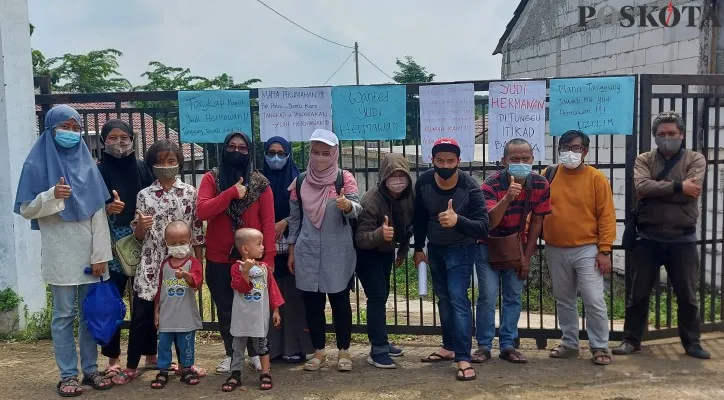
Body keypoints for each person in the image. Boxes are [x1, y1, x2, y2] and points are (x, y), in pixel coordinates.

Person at [14, 104, 114, 396]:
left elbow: (98, 215)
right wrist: (50, 195)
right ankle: (68, 375)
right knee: (62, 317)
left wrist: (100, 257)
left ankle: (91, 370)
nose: (71, 133)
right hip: (59, 254)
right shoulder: (35, 166)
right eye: (64, 128)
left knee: (89, 314)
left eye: (76, 128)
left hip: (89, 255)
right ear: (50, 129)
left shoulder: (88, 166)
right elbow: (25, 210)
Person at [613, 112, 710, 360]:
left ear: (682, 134)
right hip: (649, 237)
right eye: (662, 134)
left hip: (682, 238)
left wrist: (658, 190)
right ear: (655, 136)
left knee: (687, 295)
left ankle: (692, 343)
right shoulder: (644, 159)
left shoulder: (694, 158)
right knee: (638, 294)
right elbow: (641, 187)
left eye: (672, 134)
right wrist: (679, 186)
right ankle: (631, 340)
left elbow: (692, 192)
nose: (667, 138)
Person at [113, 139, 205, 384]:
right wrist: (141, 228)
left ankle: (187, 363)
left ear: (179, 164)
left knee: (181, 316)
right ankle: (132, 366)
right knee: (142, 315)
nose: (167, 165)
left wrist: (198, 266)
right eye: (161, 161)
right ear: (153, 165)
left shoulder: (189, 193)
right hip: (152, 264)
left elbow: (196, 233)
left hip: (181, 266)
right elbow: (138, 236)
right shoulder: (145, 195)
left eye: (172, 161)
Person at [196, 131, 276, 373]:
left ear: (249, 152)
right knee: (226, 308)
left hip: (252, 261)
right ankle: (232, 354)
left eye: (243, 148)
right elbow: (202, 212)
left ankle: (255, 353)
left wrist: (269, 259)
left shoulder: (260, 184)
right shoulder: (212, 178)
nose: (237, 152)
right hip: (219, 258)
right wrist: (230, 193)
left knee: (253, 307)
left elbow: (269, 223)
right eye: (232, 147)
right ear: (224, 149)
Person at [414, 138, 489, 381]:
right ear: (432, 161)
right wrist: (418, 248)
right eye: (440, 160)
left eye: (450, 160)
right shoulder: (424, 182)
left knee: (458, 299)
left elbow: (483, 227)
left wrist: (458, 221)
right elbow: (419, 217)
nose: (445, 165)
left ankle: (464, 357)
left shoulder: (470, 187)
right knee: (443, 299)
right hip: (435, 248)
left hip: (461, 249)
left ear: (458, 161)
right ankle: (448, 347)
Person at [287, 128, 362, 372]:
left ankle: (344, 351)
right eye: (316, 152)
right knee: (313, 304)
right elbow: (295, 219)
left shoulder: (343, 178)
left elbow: (358, 208)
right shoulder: (300, 182)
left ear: (335, 154)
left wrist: (347, 205)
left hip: (338, 252)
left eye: (325, 153)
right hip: (307, 251)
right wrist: (291, 249)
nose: (320, 157)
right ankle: (319, 351)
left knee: (340, 302)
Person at [473, 139, 551, 364]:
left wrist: (526, 257)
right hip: (488, 244)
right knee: (487, 296)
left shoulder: (540, 184)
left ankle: (508, 344)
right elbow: (490, 222)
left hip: (516, 245)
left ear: (532, 160)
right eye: (514, 159)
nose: (521, 163)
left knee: (513, 296)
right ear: (504, 161)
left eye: (525, 159)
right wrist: (507, 198)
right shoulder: (491, 184)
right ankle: (484, 346)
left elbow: (537, 222)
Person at [543, 130, 615, 366]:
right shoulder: (549, 174)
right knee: (563, 298)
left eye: (575, 148)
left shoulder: (596, 178)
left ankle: (599, 346)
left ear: (585, 151)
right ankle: (570, 343)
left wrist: (604, 250)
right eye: (565, 147)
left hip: (587, 248)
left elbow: (606, 216)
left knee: (593, 299)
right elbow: (536, 207)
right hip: (554, 247)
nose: (570, 153)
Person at [95, 119, 156, 376]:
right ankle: (113, 360)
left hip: (142, 242)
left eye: (124, 137)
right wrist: (108, 210)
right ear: (103, 141)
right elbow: (87, 209)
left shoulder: (142, 167)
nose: (119, 143)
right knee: (112, 303)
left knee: (145, 300)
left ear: (133, 140)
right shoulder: (97, 171)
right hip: (110, 245)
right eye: (113, 137)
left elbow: (153, 199)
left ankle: (150, 354)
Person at [354, 153, 414, 369]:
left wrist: (403, 250)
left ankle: (383, 341)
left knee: (383, 294)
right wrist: (379, 234)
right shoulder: (371, 200)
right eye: (392, 175)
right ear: (384, 176)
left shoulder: (408, 195)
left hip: (386, 252)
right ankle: (377, 348)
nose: (398, 180)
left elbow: (408, 226)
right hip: (367, 254)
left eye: (402, 175)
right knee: (377, 296)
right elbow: (360, 239)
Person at [262, 136, 314, 363]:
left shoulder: (299, 180)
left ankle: (294, 347)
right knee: (267, 297)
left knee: (292, 297)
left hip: (293, 246)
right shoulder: (258, 180)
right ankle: (270, 349)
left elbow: (306, 211)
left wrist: (284, 221)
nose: (276, 157)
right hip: (265, 246)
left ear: (288, 155)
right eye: (271, 152)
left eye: (281, 153)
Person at [222, 228, 284, 392]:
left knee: (262, 346)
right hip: (241, 317)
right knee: (238, 348)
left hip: (259, 317)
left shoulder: (264, 268)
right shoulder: (236, 268)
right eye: (259, 244)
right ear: (245, 249)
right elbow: (241, 287)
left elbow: (272, 290)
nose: (263, 247)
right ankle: (235, 373)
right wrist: (246, 271)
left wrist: (276, 310)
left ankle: (265, 373)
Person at [151, 221, 204, 389]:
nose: (178, 246)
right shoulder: (165, 264)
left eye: (182, 242)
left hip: (185, 316)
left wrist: (186, 276)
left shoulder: (192, 262)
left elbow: (197, 282)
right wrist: (156, 311)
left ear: (189, 241)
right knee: (164, 344)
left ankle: (187, 369)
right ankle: (163, 370)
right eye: (173, 243)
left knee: (186, 344)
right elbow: (160, 289)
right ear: (166, 243)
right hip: (167, 316)